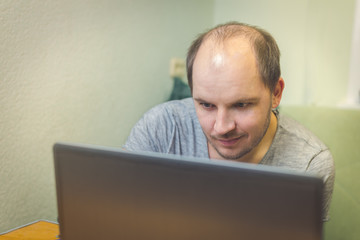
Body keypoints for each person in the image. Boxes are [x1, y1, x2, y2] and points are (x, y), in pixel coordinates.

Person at [123, 22, 335, 221]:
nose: (221, 127)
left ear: (276, 93)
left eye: (241, 105)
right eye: (206, 105)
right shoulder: (159, 129)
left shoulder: (309, 165)